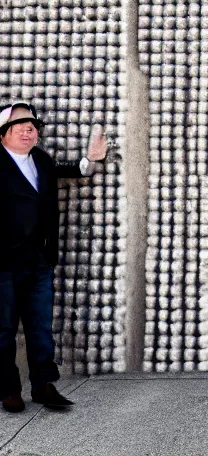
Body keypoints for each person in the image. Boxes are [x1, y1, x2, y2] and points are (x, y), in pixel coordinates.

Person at [0, 102, 107, 413]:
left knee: (40, 326)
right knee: (4, 328)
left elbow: (66, 170)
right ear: (3, 133)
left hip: (38, 261)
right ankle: (8, 389)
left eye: (32, 125)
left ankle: (43, 385)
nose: (28, 129)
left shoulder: (41, 161)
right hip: (3, 263)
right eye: (19, 125)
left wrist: (90, 161)